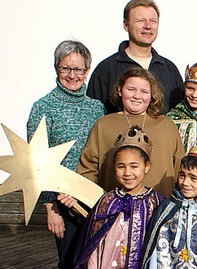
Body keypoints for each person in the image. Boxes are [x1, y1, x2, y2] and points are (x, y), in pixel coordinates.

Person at [26, 40, 105, 269]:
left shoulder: (97, 108)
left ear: (87, 71)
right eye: (66, 68)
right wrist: (51, 208)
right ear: (56, 68)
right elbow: (36, 163)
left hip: (93, 199)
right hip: (64, 203)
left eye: (78, 69)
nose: (72, 75)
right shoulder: (43, 107)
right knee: (70, 262)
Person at [78, 67, 185, 197]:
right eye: (131, 89)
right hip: (114, 212)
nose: (137, 96)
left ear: (152, 95)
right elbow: (88, 170)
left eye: (144, 91)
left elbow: (180, 167)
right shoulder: (103, 125)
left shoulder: (166, 125)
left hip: (161, 210)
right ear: (120, 90)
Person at [74, 126, 164, 269]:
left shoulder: (156, 202)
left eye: (134, 166)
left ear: (146, 167)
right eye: (121, 166)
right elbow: (92, 246)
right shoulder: (106, 202)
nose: (127, 173)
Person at [142, 144, 197, 268]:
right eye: (182, 175)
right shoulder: (169, 208)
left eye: (193, 178)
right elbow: (154, 252)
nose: (185, 183)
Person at [87, 0, 183, 114]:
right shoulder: (106, 69)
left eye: (153, 21)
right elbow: (92, 116)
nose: (147, 26)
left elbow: (180, 115)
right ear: (126, 25)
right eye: (140, 20)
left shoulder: (170, 70)